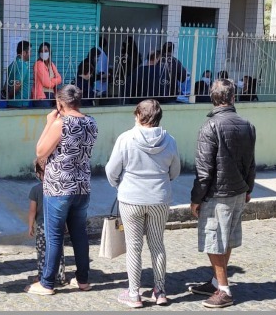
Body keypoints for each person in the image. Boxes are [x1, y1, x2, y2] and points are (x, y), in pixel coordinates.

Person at [105, 99, 181, 308]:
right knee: (157, 245)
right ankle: (160, 290)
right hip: (159, 198)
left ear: (139, 115)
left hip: (131, 198)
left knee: (134, 247)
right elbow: (175, 171)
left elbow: (112, 170)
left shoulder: (126, 139)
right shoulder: (170, 140)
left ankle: (134, 294)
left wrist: (119, 185)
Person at [188, 79, 256, 309]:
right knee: (223, 239)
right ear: (233, 97)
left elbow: (203, 170)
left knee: (214, 241)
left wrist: (196, 198)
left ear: (213, 98)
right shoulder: (247, 124)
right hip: (238, 190)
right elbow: (251, 162)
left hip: (219, 193)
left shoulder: (210, 127)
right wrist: (249, 188)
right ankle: (217, 281)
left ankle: (224, 290)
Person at [28, 85, 97, 296]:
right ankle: (83, 279)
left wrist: (49, 123)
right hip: (82, 185)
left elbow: (40, 151)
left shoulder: (61, 122)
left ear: (60, 103)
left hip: (59, 186)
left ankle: (47, 282)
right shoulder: (91, 122)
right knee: (79, 235)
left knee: (54, 235)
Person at [29, 159, 67, 289]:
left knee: (42, 252)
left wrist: (30, 226)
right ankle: (61, 276)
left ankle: (42, 276)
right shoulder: (59, 187)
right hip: (57, 224)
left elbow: (32, 211)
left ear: (39, 174)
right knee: (58, 251)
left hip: (42, 226)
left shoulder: (35, 190)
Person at [32, 42, 63, 108]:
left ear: (49, 52)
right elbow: (47, 83)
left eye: (46, 51)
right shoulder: (39, 64)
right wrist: (54, 82)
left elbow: (60, 78)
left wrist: (51, 81)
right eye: (41, 51)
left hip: (51, 95)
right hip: (42, 96)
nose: (43, 53)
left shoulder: (51, 64)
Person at [6, 41, 32, 108]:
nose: (31, 54)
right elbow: (17, 84)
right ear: (23, 53)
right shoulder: (23, 66)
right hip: (20, 104)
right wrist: (9, 96)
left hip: (12, 103)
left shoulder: (12, 65)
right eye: (30, 52)